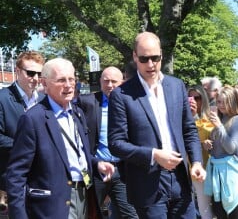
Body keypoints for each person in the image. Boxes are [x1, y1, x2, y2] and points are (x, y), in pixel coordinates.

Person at [108, 31, 206, 219]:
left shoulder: (177, 86)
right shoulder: (121, 94)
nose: (151, 64)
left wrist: (196, 162)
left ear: (161, 54)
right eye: (144, 59)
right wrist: (154, 155)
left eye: (155, 58)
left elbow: (189, 130)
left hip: (180, 180)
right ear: (135, 57)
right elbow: (116, 143)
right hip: (148, 184)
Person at [6, 58, 114, 219]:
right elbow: (16, 174)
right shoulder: (33, 119)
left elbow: (76, 154)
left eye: (71, 79)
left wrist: (97, 164)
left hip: (84, 196)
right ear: (45, 83)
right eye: (61, 80)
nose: (69, 85)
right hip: (53, 203)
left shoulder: (77, 113)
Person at [77, 66, 138, 219]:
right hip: (96, 170)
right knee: (90, 212)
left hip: (121, 171)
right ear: (100, 82)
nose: (110, 85)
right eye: (106, 81)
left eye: (114, 81)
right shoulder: (87, 102)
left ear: (122, 82)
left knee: (130, 214)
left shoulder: (130, 103)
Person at [0, 51, 45, 213]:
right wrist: (28, 146)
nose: (35, 77)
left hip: (41, 178)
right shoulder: (2, 98)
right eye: (30, 73)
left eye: (39, 74)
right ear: (18, 71)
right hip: (12, 177)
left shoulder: (42, 100)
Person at [204, 86, 238, 219]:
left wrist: (219, 126)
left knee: (235, 215)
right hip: (217, 174)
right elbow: (218, 147)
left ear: (233, 101)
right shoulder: (221, 118)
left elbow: (231, 148)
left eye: (225, 101)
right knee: (219, 214)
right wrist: (208, 145)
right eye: (219, 101)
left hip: (232, 175)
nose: (221, 105)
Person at [188, 85, 214, 219]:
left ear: (203, 99)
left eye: (196, 98)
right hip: (185, 168)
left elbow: (214, 139)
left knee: (205, 209)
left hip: (203, 168)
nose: (193, 101)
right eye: (190, 98)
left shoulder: (209, 119)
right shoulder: (182, 118)